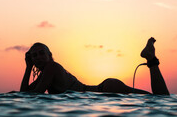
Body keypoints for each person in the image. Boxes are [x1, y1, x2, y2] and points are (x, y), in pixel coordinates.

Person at [20, 37, 169, 95]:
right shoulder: (46, 73)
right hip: (104, 90)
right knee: (156, 99)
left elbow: (36, 93)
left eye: (41, 53)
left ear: (49, 55)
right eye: (34, 55)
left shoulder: (52, 67)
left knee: (160, 99)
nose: (38, 57)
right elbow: (25, 92)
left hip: (105, 91)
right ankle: (151, 59)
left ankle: (152, 59)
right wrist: (28, 68)